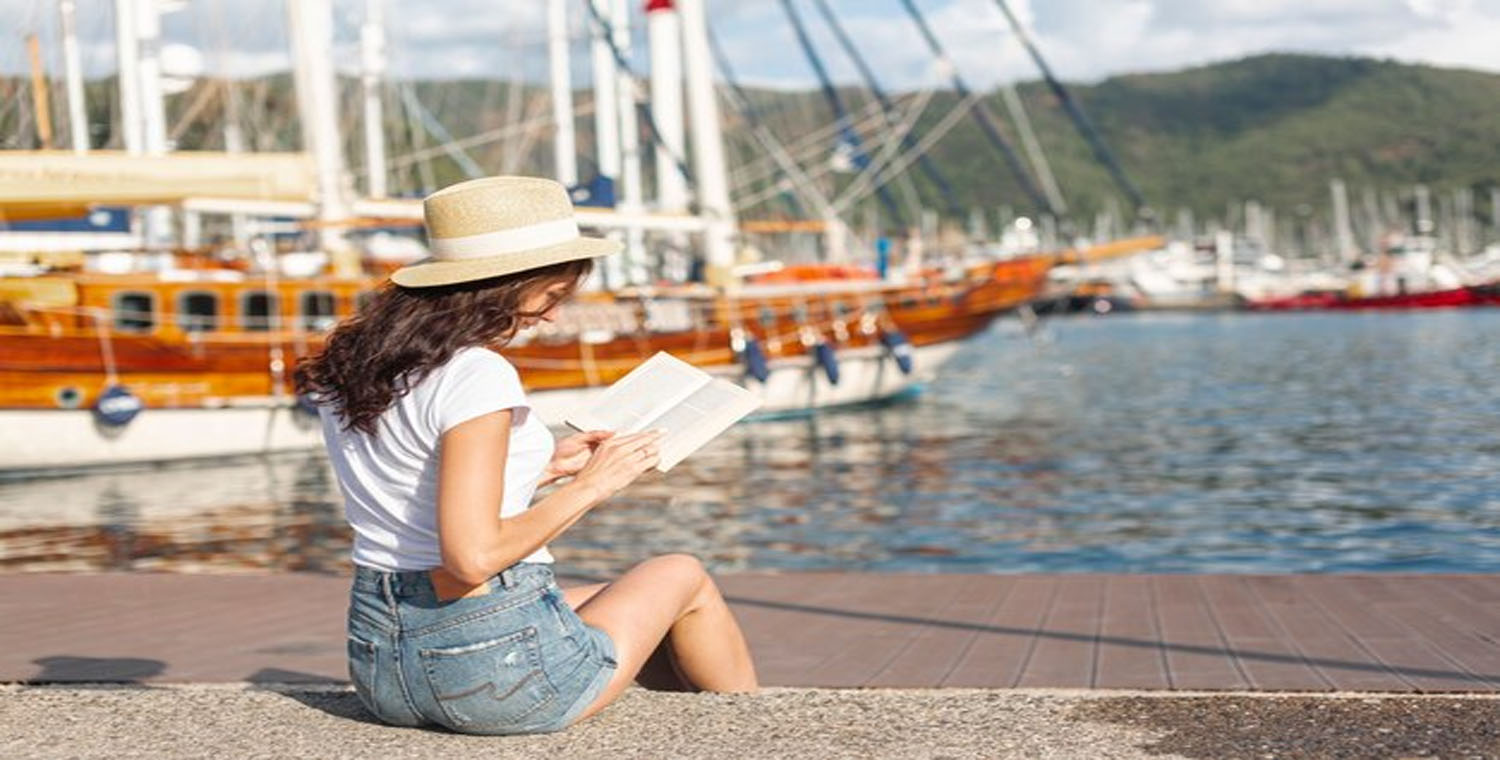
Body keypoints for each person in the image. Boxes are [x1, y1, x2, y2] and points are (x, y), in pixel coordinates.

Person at [295, 176, 758, 735]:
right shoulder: (476, 374)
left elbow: (410, 480)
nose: (554, 314)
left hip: (384, 667)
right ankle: (753, 730)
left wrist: (546, 468)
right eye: (553, 295)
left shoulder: (360, 365)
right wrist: (591, 486)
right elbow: (469, 558)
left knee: (625, 602)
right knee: (682, 575)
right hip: (488, 679)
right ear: (506, 284)